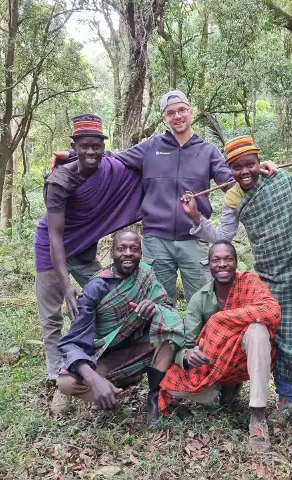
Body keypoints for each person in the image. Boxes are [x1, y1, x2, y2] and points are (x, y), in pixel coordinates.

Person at [180, 136, 292, 436]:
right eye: (236, 167)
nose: (244, 171)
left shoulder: (278, 178)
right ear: (228, 169)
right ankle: (286, 400)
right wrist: (195, 216)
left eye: (250, 164)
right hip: (271, 276)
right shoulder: (232, 198)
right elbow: (222, 238)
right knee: (278, 338)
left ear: (259, 162)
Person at [51, 91, 233, 305]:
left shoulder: (208, 151)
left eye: (182, 110)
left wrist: (260, 170)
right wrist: (72, 155)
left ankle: (201, 340)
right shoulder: (152, 146)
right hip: (156, 240)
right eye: (170, 112)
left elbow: (231, 183)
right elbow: (113, 159)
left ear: (190, 112)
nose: (177, 116)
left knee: (204, 303)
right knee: (157, 304)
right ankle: (165, 339)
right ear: (164, 117)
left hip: (194, 239)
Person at [34, 114, 143, 388]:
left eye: (96, 145)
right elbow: (56, 236)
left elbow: (139, 162)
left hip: (83, 250)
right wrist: (66, 284)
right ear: (76, 146)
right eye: (84, 146)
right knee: (52, 314)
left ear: (103, 147)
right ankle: (54, 372)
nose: (91, 151)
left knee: (111, 297)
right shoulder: (59, 182)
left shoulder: (110, 167)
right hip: (51, 248)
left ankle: (106, 356)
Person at [159, 240, 281, 452]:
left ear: (235, 263)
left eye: (228, 259)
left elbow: (272, 310)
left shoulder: (249, 283)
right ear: (209, 265)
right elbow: (187, 344)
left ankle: (258, 417)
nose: (222, 264)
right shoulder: (199, 299)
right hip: (213, 364)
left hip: (244, 359)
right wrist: (188, 355)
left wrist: (220, 320)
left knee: (258, 331)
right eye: (216, 260)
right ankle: (222, 392)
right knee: (169, 385)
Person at [56, 230, 185, 424]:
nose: (128, 253)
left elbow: (169, 312)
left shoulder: (146, 275)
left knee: (169, 334)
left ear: (141, 253)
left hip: (140, 348)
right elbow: (72, 342)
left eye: (134, 249)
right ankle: (109, 393)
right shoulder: (96, 288)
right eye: (121, 248)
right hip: (103, 355)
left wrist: (154, 309)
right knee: (66, 383)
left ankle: (155, 397)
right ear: (112, 252)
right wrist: (94, 380)